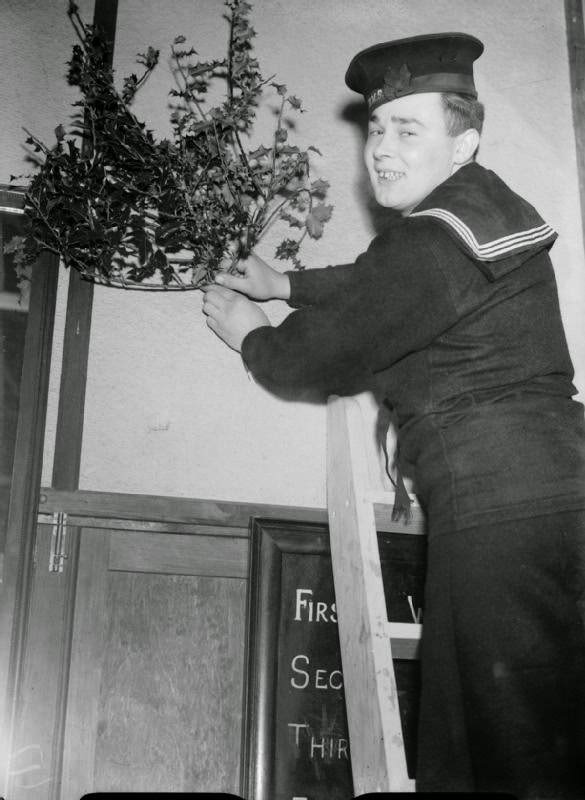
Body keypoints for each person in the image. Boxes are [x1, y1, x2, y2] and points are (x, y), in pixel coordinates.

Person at [202, 33, 585, 798]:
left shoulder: (429, 239)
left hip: (497, 509)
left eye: (407, 130)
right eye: (376, 130)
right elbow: (383, 282)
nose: (380, 148)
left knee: (495, 751)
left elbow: (323, 355)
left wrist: (252, 334)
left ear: (462, 140)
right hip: (557, 492)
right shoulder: (481, 207)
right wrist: (288, 281)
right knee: (549, 739)